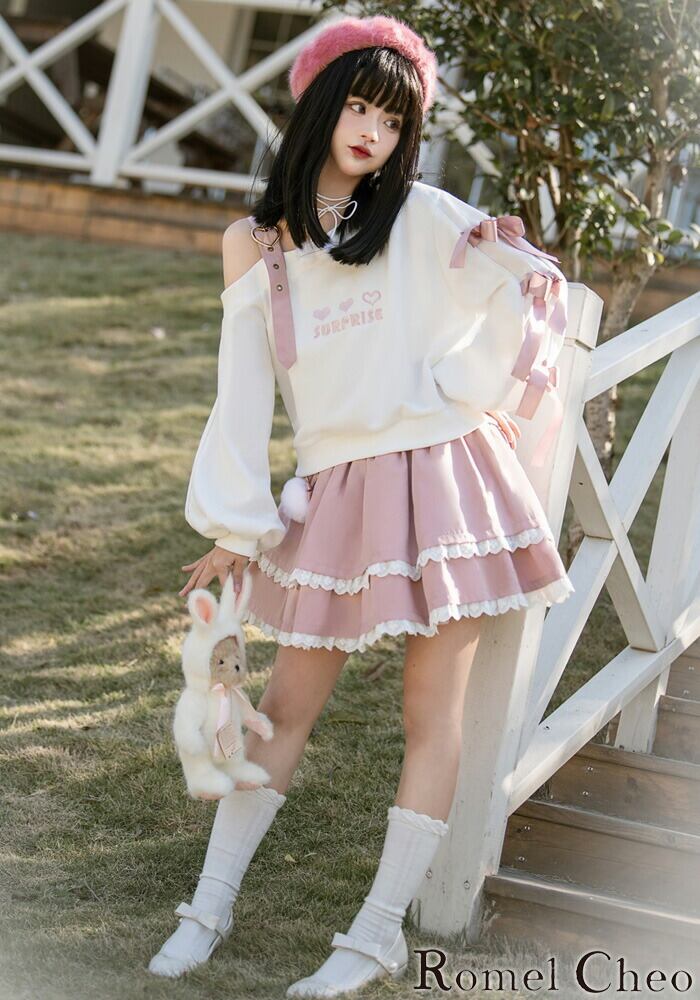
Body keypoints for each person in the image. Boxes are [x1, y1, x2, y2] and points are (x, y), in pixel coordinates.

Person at [148, 13, 574, 997]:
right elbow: (241, 390)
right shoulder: (254, 244)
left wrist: (469, 373)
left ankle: (376, 932)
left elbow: (535, 289)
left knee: (431, 710)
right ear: (317, 107)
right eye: (358, 107)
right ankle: (207, 908)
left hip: (446, 477)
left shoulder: (422, 215)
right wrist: (235, 524)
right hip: (339, 486)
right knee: (285, 705)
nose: (372, 132)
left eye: (393, 119)